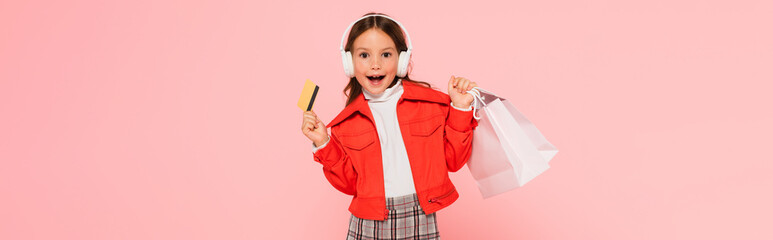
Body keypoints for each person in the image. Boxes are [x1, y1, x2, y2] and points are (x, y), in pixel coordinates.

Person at [301, 13, 481, 239]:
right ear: (349, 62)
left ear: (402, 60)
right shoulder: (345, 123)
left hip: (419, 217)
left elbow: (453, 161)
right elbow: (350, 185)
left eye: (386, 54)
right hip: (368, 220)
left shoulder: (431, 105)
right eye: (364, 55)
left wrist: (460, 108)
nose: (375, 64)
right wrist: (323, 143)